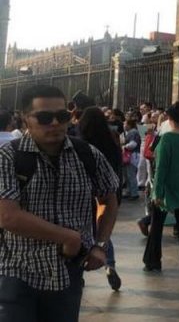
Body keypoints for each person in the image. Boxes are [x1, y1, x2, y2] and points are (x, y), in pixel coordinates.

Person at [0, 85, 119, 322]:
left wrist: (100, 243)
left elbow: (110, 199)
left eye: (62, 116)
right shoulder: (9, 157)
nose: (55, 123)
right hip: (18, 272)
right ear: (26, 119)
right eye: (45, 117)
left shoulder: (87, 154)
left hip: (67, 275)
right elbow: (8, 216)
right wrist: (66, 236)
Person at [143, 102, 179, 277]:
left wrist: (157, 193)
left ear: (169, 118)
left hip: (167, 189)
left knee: (157, 226)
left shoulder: (166, 139)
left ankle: (153, 262)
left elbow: (161, 169)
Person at [78, 107, 125, 291]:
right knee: (104, 227)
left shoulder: (83, 144)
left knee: (90, 228)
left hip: (90, 192)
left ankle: (86, 263)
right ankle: (109, 263)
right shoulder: (112, 138)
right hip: (111, 190)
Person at [122, 118, 141, 201]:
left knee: (131, 174)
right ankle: (130, 191)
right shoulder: (132, 132)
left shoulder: (133, 132)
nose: (124, 126)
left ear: (129, 125)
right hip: (131, 155)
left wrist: (123, 146)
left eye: (125, 124)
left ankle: (134, 193)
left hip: (132, 155)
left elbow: (133, 144)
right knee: (128, 174)